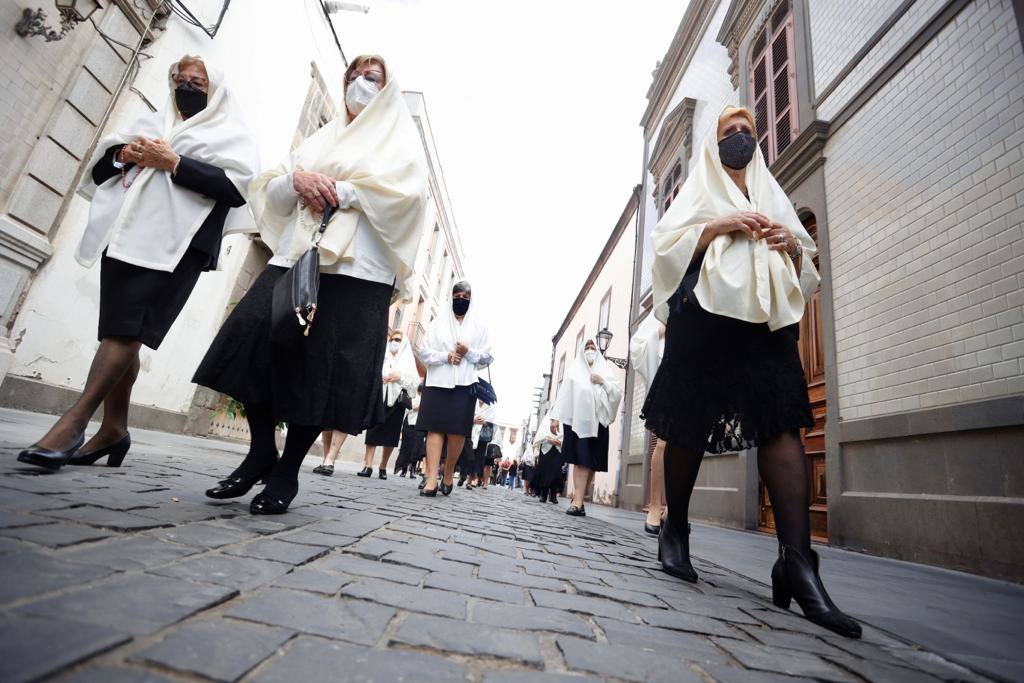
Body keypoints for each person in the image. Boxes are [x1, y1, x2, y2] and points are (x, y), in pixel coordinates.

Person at [641, 106, 860, 639]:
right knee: (688, 420)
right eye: (728, 133)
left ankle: (797, 563)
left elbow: (806, 260)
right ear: (713, 145)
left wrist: (790, 243)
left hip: (765, 320)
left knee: (782, 421)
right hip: (708, 315)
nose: (739, 139)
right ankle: (675, 530)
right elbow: (666, 247)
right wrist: (720, 224)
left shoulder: (771, 190)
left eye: (747, 133)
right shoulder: (699, 188)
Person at [196, 55, 428, 514]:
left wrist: (342, 190)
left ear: (387, 90)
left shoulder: (399, 143)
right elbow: (273, 186)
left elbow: (408, 197)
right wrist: (299, 181)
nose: (359, 85)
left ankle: (287, 471)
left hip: (357, 273)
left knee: (319, 374)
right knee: (250, 345)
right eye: (353, 76)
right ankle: (262, 450)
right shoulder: (325, 136)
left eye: (371, 78)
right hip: (295, 257)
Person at [17, 56, 258, 472]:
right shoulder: (150, 121)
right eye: (179, 80)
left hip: (178, 248)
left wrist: (175, 162)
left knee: (127, 331)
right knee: (120, 332)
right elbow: (99, 170)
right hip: (125, 237)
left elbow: (236, 189)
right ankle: (114, 429)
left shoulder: (230, 133)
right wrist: (126, 153)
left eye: (197, 82)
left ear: (215, 90)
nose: (186, 87)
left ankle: (73, 423)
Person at [416, 281, 493, 496]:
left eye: (465, 296)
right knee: (434, 429)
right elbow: (424, 351)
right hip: (437, 382)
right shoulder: (437, 324)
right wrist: (445, 356)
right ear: (451, 297)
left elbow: (487, 357)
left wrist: (468, 351)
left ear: (471, 299)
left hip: (465, 384)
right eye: (457, 295)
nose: (461, 299)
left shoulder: (480, 327)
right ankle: (431, 479)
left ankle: (448, 471)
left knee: (457, 433)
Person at [551, 339, 623, 516]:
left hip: (598, 423)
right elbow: (564, 395)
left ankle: (579, 498)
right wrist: (555, 418)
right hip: (577, 422)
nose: (590, 350)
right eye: (587, 347)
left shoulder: (605, 370)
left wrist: (602, 381)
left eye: (593, 347)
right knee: (580, 460)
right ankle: (577, 501)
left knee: (590, 464)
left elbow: (616, 393)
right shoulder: (573, 371)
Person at [358, 329, 419, 479]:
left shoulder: (407, 359)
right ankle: (368, 465)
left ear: (403, 342)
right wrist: (381, 377)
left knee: (390, 435)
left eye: (398, 340)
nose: (394, 342)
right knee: (372, 431)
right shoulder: (383, 354)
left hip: (397, 402)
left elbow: (414, 384)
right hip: (379, 397)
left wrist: (399, 377)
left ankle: (383, 466)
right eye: (393, 339)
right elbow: (372, 370)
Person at [630, 314, 668, 535]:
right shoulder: (660, 309)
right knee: (662, 443)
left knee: (688, 447)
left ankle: (673, 510)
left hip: (696, 369)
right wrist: (659, 332)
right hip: (667, 375)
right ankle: (655, 506)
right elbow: (636, 347)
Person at [530, 413, 564, 504]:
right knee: (545, 472)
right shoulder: (546, 419)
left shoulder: (563, 417)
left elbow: (564, 434)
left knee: (556, 473)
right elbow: (541, 434)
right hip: (546, 450)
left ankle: (553, 495)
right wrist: (548, 439)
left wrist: (559, 441)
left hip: (557, 450)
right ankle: (544, 494)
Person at [394, 384, 424, 477]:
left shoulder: (428, 401)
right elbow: (411, 409)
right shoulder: (413, 398)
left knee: (417, 448)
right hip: (409, 424)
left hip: (420, 426)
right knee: (406, 447)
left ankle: (413, 470)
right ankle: (403, 469)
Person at [469, 399, 497, 488]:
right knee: (471, 456)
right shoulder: (473, 402)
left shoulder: (490, 407)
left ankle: (476, 478)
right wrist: (474, 420)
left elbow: (492, 422)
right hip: (471, 432)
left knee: (480, 458)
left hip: (482, 436)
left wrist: (483, 422)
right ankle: (470, 477)